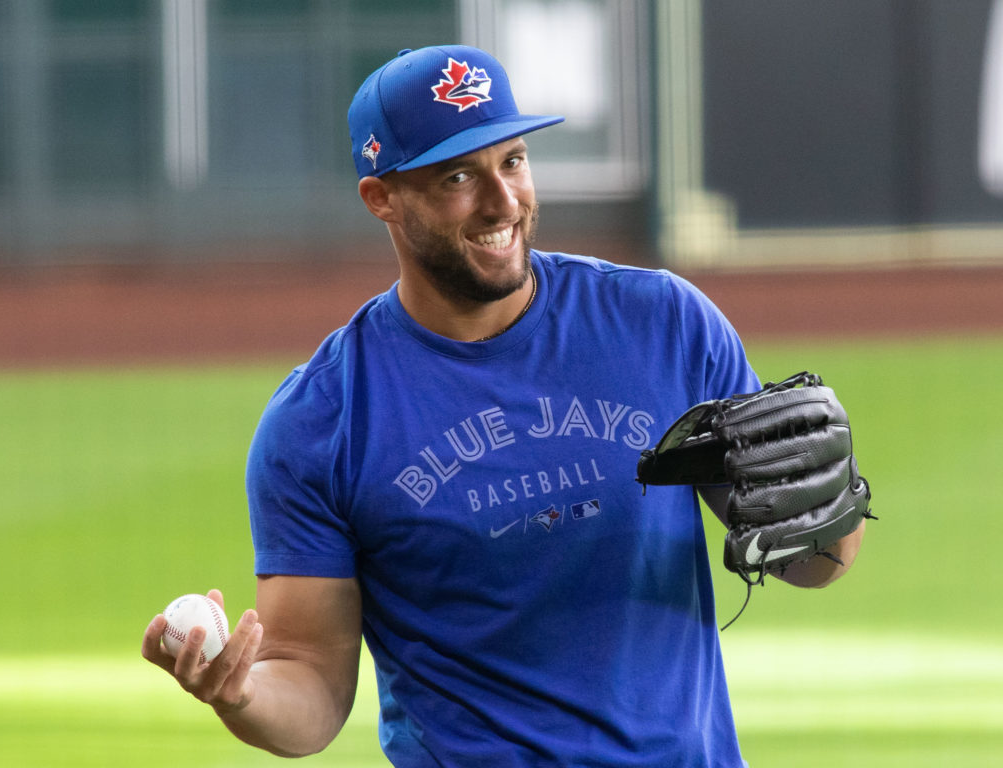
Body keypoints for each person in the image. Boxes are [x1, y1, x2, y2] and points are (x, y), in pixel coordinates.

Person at [142, 45, 866, 766]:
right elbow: (310, 683)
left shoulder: (664, 324)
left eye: (512, 161)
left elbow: (812, 560)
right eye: (458, 176)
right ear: (381, 197)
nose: (503, 202)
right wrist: (241, 694)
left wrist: (833, 511)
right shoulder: (322, 421)